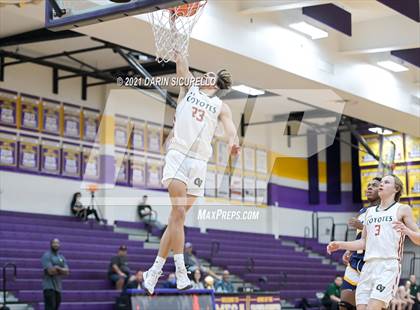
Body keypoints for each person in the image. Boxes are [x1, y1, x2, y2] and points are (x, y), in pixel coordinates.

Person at [142, 48, 240, 296]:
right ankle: (181, 269)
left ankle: (154, 270)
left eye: (208, 74)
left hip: (199, 162)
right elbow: (183, 68)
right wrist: (180, 49)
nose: (203, 76)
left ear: (215, 83)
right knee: (177, 212)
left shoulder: (220, 105)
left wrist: (232, 143)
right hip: (178, 154)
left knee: (177, 219)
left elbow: (230, 128)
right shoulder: (189, 89)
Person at [327, 174, 419, 310]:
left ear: (396, 188)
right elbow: (363, 242)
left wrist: (408, 231)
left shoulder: (402, 209)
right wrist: (340, 244)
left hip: (388, 266)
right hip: (368, 267)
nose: (381, 184)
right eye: (381, 182)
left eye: (386, 182)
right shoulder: (369, 212)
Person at [340, 177, 381, 310]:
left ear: (382, 190)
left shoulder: (387, 212)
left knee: (371, 306)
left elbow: (383, 237)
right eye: (368, 185)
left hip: (374, 262)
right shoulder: (362, 212)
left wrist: (363, 226)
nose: (369, 187)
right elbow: (360, 236)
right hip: (356, 259)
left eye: (374, 185)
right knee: (344, 304)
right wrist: (350, 250)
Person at [41, 238, 69, 310]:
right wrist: (61, 270)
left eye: (57, 243)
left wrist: (57, 268)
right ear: (51, 244)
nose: (56, 244)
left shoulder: (61, 257)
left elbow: (67, 272)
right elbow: (50, 271)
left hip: (58, 288)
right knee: (50, 308)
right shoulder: (46, 255)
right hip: (49, 287)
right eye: (54, 243)